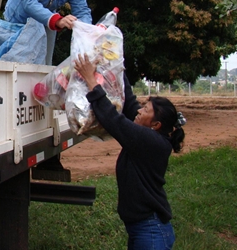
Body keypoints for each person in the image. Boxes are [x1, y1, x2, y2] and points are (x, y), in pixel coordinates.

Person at [74, 54, 186, 250]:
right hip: (143, 228)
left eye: (146, 110)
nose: (140, 111)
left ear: (156, 125)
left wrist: (91, 80)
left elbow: (113, 120)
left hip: (150, 231)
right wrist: (117, 64)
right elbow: (129, 103)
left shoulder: (150, 141)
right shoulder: (151, 135)